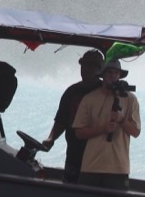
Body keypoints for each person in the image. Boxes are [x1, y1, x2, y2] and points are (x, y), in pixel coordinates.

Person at [73, 59, 141, 190]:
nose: (113, 75)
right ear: (102, 75)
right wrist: (102, 129)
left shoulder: (131, 99)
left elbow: (136, 132)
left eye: (116, 72)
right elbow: (79, 132)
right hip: (91, 166)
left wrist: (121, 120)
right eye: (109, 72)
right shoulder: (89, 99)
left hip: (118, 168)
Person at [43, 49, 104, 183]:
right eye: (83, 65)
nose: (85, 69)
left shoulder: (104, 92)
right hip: (74, 150)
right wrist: (51, 138)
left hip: (97, 152)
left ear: (99, 70)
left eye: (90, 66)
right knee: (70, 184)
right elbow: (61, 120)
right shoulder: (72, 91)